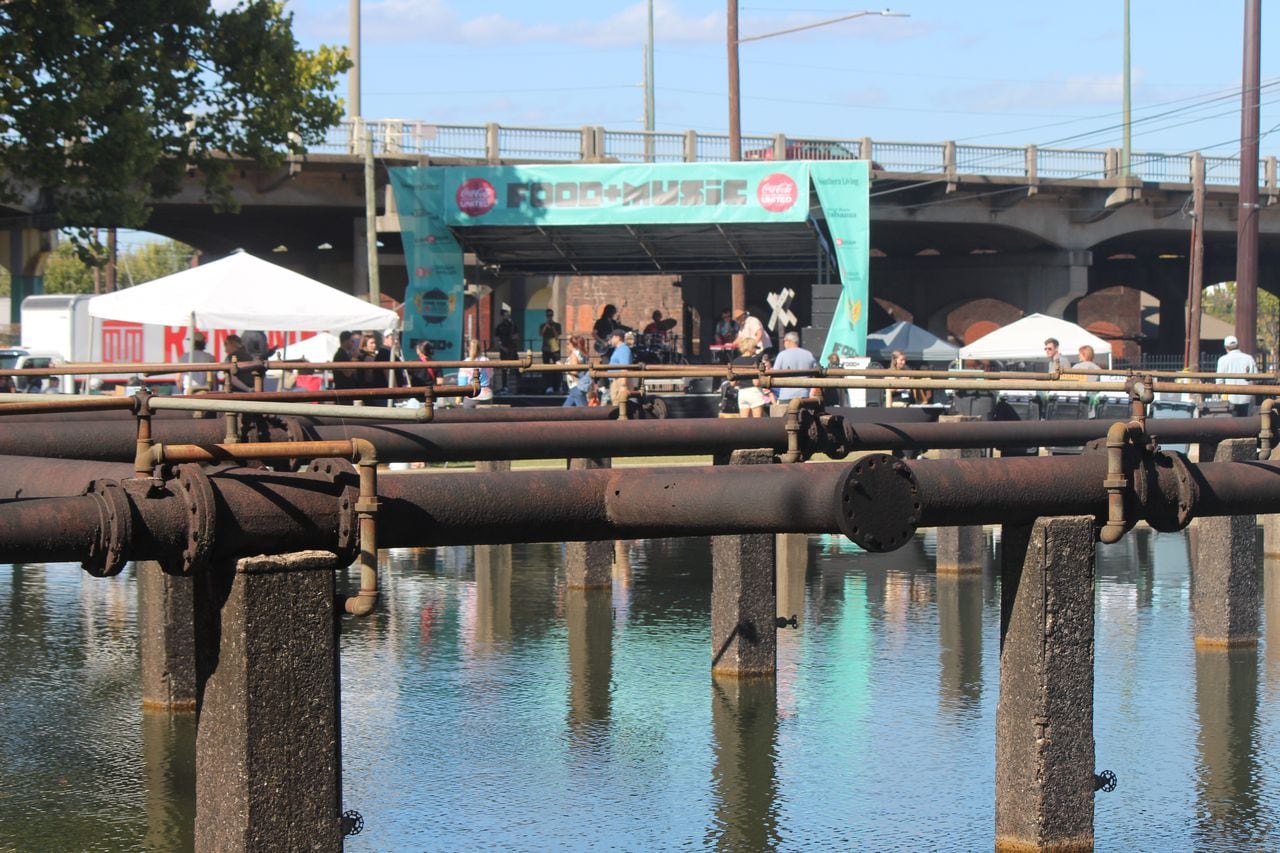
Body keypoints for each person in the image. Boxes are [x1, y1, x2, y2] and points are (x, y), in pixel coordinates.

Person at [770, 331, 819, 410]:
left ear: (788, 341)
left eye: (784, 341)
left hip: (786, 396)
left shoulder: (782, 355)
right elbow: (816, 373)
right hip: (804, 395)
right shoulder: (808, 354)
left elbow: (774, 373)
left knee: (785, 421)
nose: (784, 344)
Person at [1216, 334, 1258, 416]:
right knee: (1247, 423)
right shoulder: (1249, 358)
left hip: (1230, 398)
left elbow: (1219, 381)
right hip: (1247, 397)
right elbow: (1256, 377)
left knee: (1233, 424)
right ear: (1238, 345)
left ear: (1226, 347)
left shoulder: (1223, 360)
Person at [731, 336, 769, 418]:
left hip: (742, 393)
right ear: (751, 347)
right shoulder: (756, 360)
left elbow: (733, 383)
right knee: (757, 422)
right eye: (755, 348)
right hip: (754, 392)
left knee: (744, 424)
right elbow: (756, 382)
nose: (756, 350)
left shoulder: (736, 361)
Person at [457, 338, 493, 407]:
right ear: (480, 349)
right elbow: (490, 375)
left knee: (467, 417)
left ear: (468, 349)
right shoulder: (486, 360)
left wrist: (458, 397)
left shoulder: (465, 363)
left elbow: (462, 384)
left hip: (471, 395)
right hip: (486, 394)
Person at [562, 335, 592, 407]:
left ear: (572, 344)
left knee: (584, 411)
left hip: (576, 386)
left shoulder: (574, 355)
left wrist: (563, 367)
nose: (567, 346)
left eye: (568, 344)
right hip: (577, 386)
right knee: (564, 410)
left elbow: (574, 371)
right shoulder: (581, 353)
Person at [607, 329, 633, 404]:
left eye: (612, 337)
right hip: (616, 380)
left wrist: (623, 385)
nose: (611, 340)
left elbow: (624, 367)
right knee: (617, 405)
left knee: (619, 405)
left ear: (618, 338)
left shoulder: (623, 350)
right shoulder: (617, 350)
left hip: (619, 381)